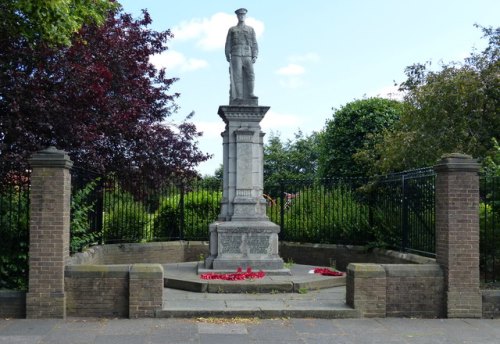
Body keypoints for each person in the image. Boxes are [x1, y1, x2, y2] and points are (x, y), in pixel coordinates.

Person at [225, 8, 258, 104]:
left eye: (243, 15)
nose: (241, 16)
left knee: (251, 74)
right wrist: (227, 53)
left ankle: (251, 93)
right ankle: (239, 96)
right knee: (237, 76)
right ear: (237, 16)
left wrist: (255, 55)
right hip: (236, 54)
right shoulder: (232, 29)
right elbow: (228, 43)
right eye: (240, 15)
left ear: (245, 16)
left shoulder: (250, 29)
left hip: (247, 54)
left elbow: (255, 43)